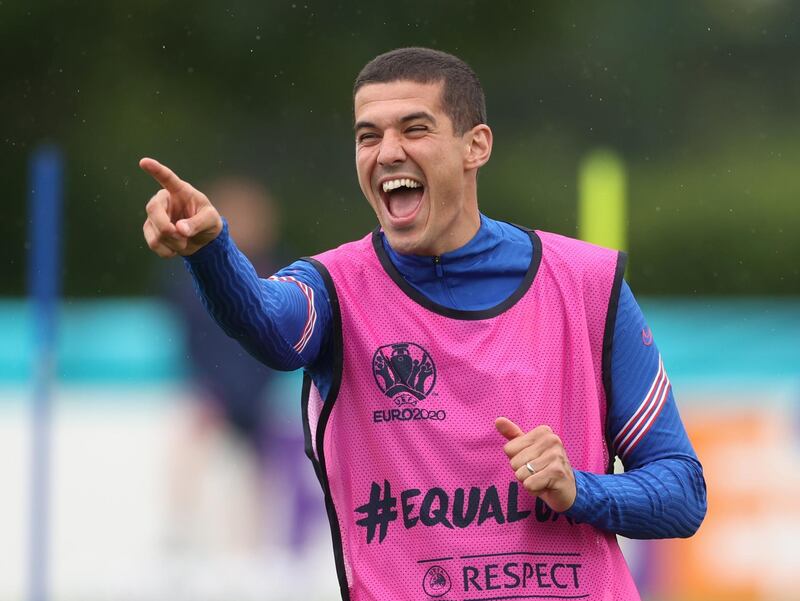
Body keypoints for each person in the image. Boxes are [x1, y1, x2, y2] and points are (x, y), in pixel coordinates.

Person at [140, 47, 706, 600]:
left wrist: (577, 489)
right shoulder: (334, 287)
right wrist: (212, 250)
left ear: (475, 146)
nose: (387, 152)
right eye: (369, 135)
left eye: (414, 129)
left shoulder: (587, 283)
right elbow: (266, 326)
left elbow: (683, 493)